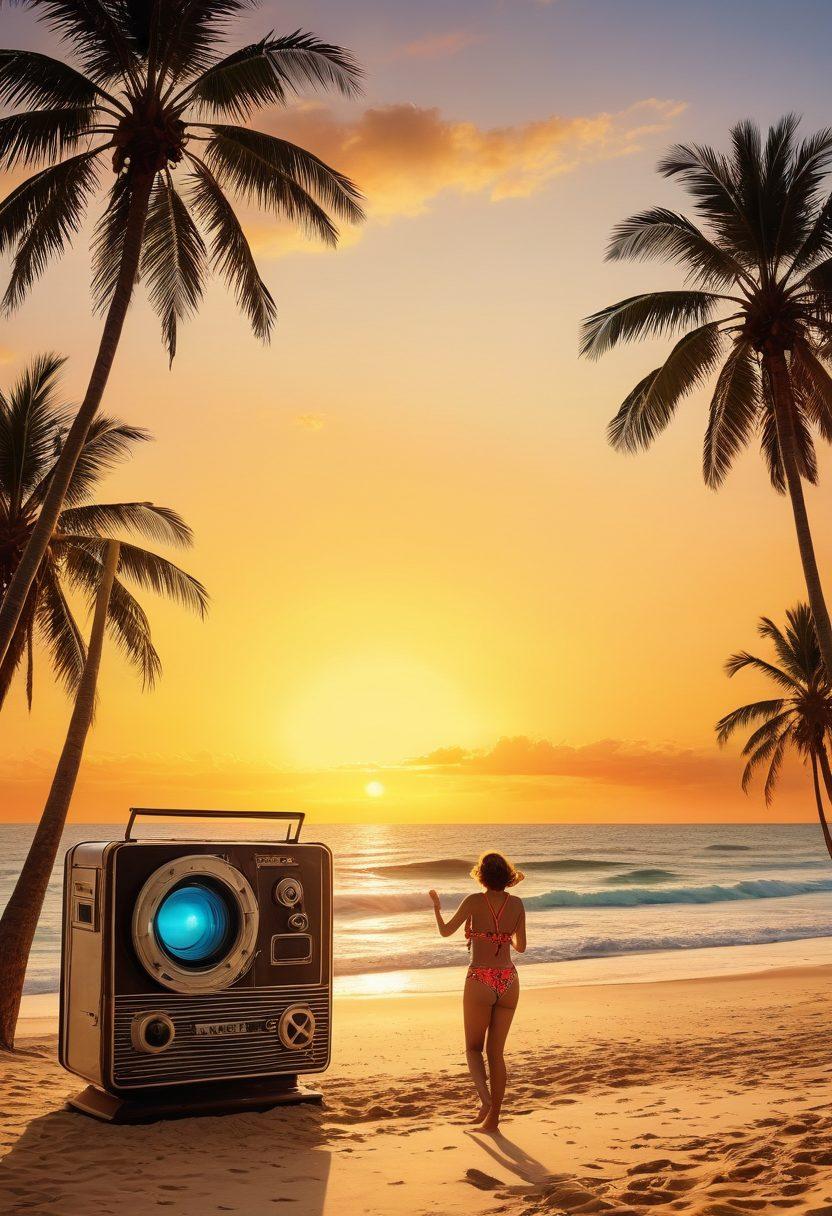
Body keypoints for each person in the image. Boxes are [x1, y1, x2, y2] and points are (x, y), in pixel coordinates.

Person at [429, 851, 526, 1132]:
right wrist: (500, 935)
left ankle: (485, 1101)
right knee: (496, 1054)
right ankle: (493, 1120)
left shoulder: (473, 901)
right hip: (509, 979)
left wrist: (436, 906)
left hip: (480, 978)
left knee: (473, 1049)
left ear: (481, 875)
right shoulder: (517, 903)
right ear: (506, 875)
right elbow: (521, 947)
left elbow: (446, 931)